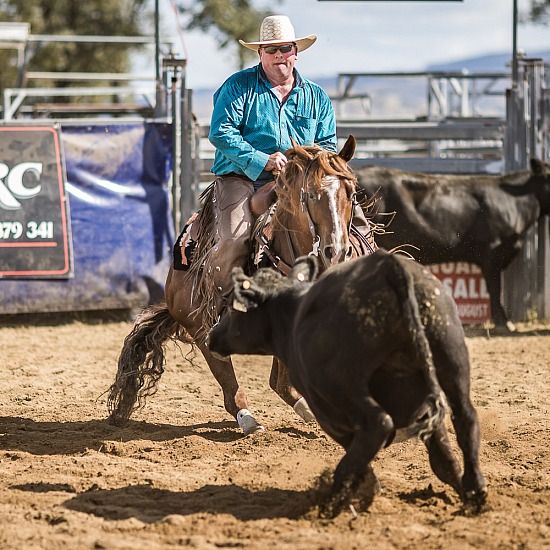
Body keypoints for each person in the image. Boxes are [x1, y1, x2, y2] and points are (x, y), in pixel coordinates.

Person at [206, 14, 370, 312]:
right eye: (271, 49)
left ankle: (368, 287)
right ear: (260, 54)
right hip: (242, 177)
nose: (279, 55)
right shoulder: (238, 87)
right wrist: (262, 159)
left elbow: (328, 147)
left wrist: (306, 168)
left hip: (300, 178)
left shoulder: (316, 97)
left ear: (296, 52)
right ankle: (225, 308)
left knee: (356, 222)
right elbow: (221, 133)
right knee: (235, 235)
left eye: (285, 48)